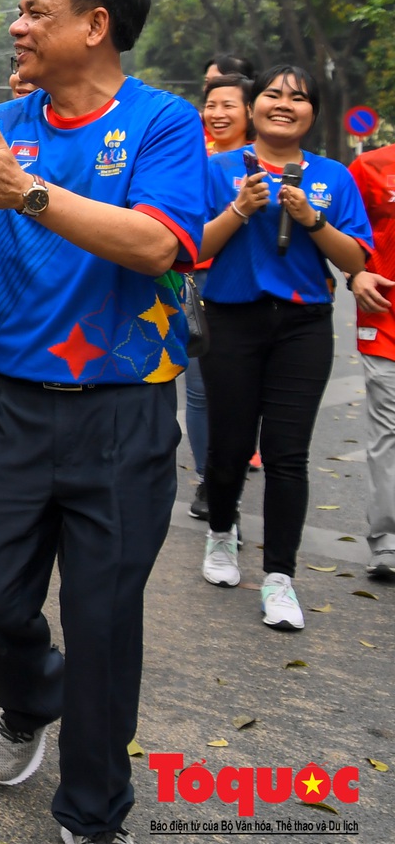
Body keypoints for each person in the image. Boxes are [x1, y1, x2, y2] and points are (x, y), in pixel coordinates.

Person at [0, 0, 206, 844]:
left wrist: (28, 190)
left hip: (126, 413)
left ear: (95, 26)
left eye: (33, 12)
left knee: (106, 617)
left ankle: (97, 814)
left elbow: (159, 244)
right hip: (12, 404)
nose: (16, 28)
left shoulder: (163, 122)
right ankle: (31, 697)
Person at [194, 65, 370, 630]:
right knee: (228, 448)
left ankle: (280, 578)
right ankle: (222, 536)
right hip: (232, 320)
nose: (284, 103)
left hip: (303, 327)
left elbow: (353, 261)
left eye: (298, 98)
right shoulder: (218, 169)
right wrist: (241, 208)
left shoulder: (333, 177)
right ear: (252, 107)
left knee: (288, 455)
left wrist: (312, 219)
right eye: (273, 94)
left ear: (312, 113)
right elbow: (192, 246)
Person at [185, 72, 256, 520]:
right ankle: (208, 481)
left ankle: (227, 479)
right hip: (199, 282)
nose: (217, 114)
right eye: (211, 105)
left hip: (248, 289)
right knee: (197, 391)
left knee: (241, 394)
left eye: (228, 104)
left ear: (251, 110)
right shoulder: (194, 160)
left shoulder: (266, 162)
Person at [348, 140, 395, 581]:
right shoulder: (371, 167)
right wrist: (353, 272)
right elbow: (348, 231)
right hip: (386, 321)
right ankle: (388, 541)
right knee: (390, 430)